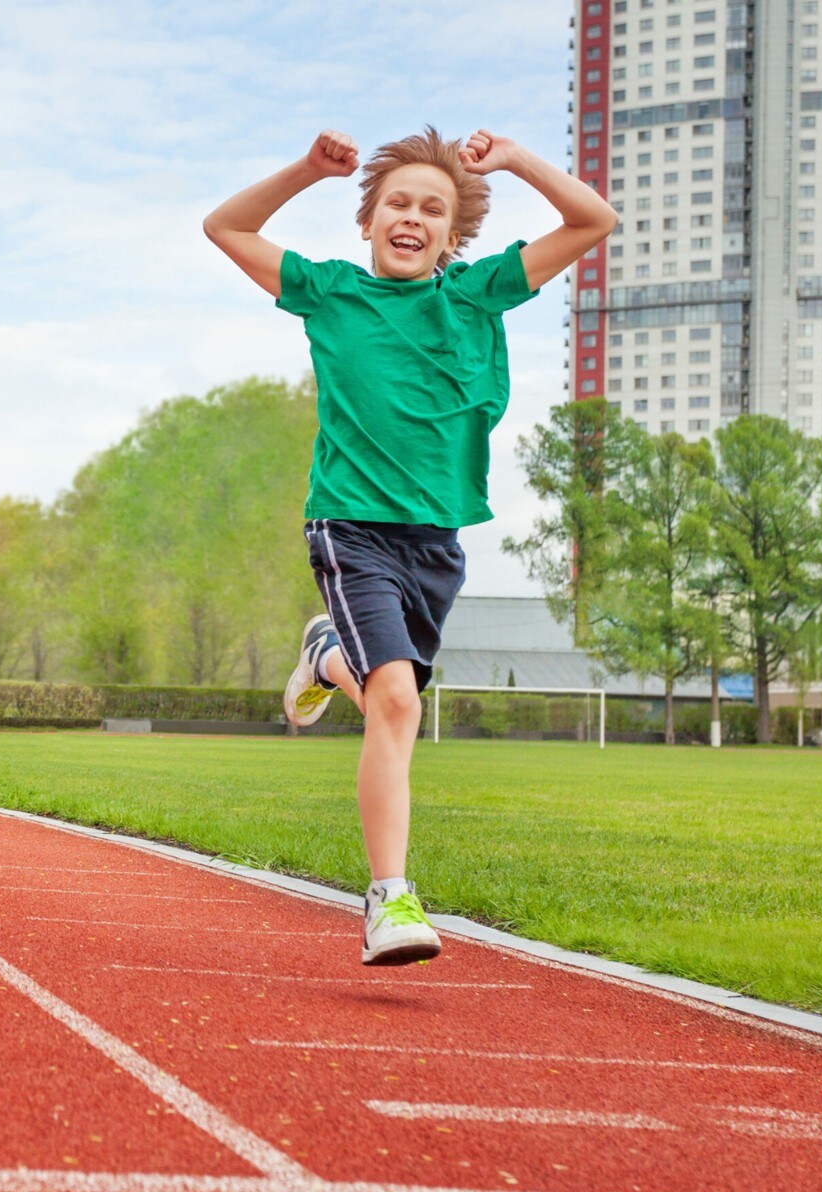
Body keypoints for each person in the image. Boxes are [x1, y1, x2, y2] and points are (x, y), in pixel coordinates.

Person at [203, 128, 616, 964]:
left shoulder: (478, 294)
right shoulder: (331, 293)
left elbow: (592, 220)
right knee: (398, 701)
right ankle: (390, 899)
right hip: (349, 525)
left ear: (453, 233)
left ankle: (325, 659)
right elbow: (227, 229)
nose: (413, 217)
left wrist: (513, 163)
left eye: (434, 209)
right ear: (368, 219)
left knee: (388, 696)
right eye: (398, 203)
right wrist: (307, 173)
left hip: (436, 542)